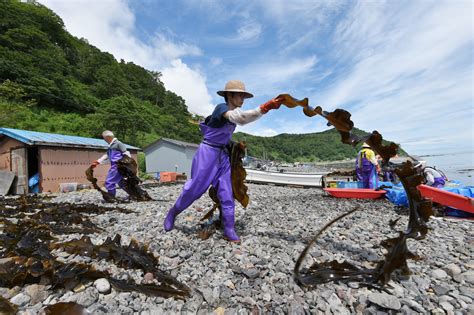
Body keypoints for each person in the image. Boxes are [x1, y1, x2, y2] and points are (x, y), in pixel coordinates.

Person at [163, 80, 283, 242]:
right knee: (193, 190)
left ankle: (229, 229)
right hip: (207, 155)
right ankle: (173, 212)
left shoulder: (232, 112)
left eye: (244, 96)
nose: (242, 98)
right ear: (229, 95)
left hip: (222, 156)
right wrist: (265, 108)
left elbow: (233, 125)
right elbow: (240, 119)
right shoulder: (222, 109)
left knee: (227, 193)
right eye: (239, 95)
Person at [90, 130, 131, 199]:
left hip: (117, 166)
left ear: (108, 137)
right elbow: (107, 155)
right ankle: (134, 194)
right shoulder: (111, 146)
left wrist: (127, 164)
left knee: (109, 182)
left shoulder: (118, 143)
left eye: (104, 138)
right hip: (115, 166)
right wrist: (98, 161)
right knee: (121, 182)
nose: (104, 140)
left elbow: (126, 153)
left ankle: (111, 197)